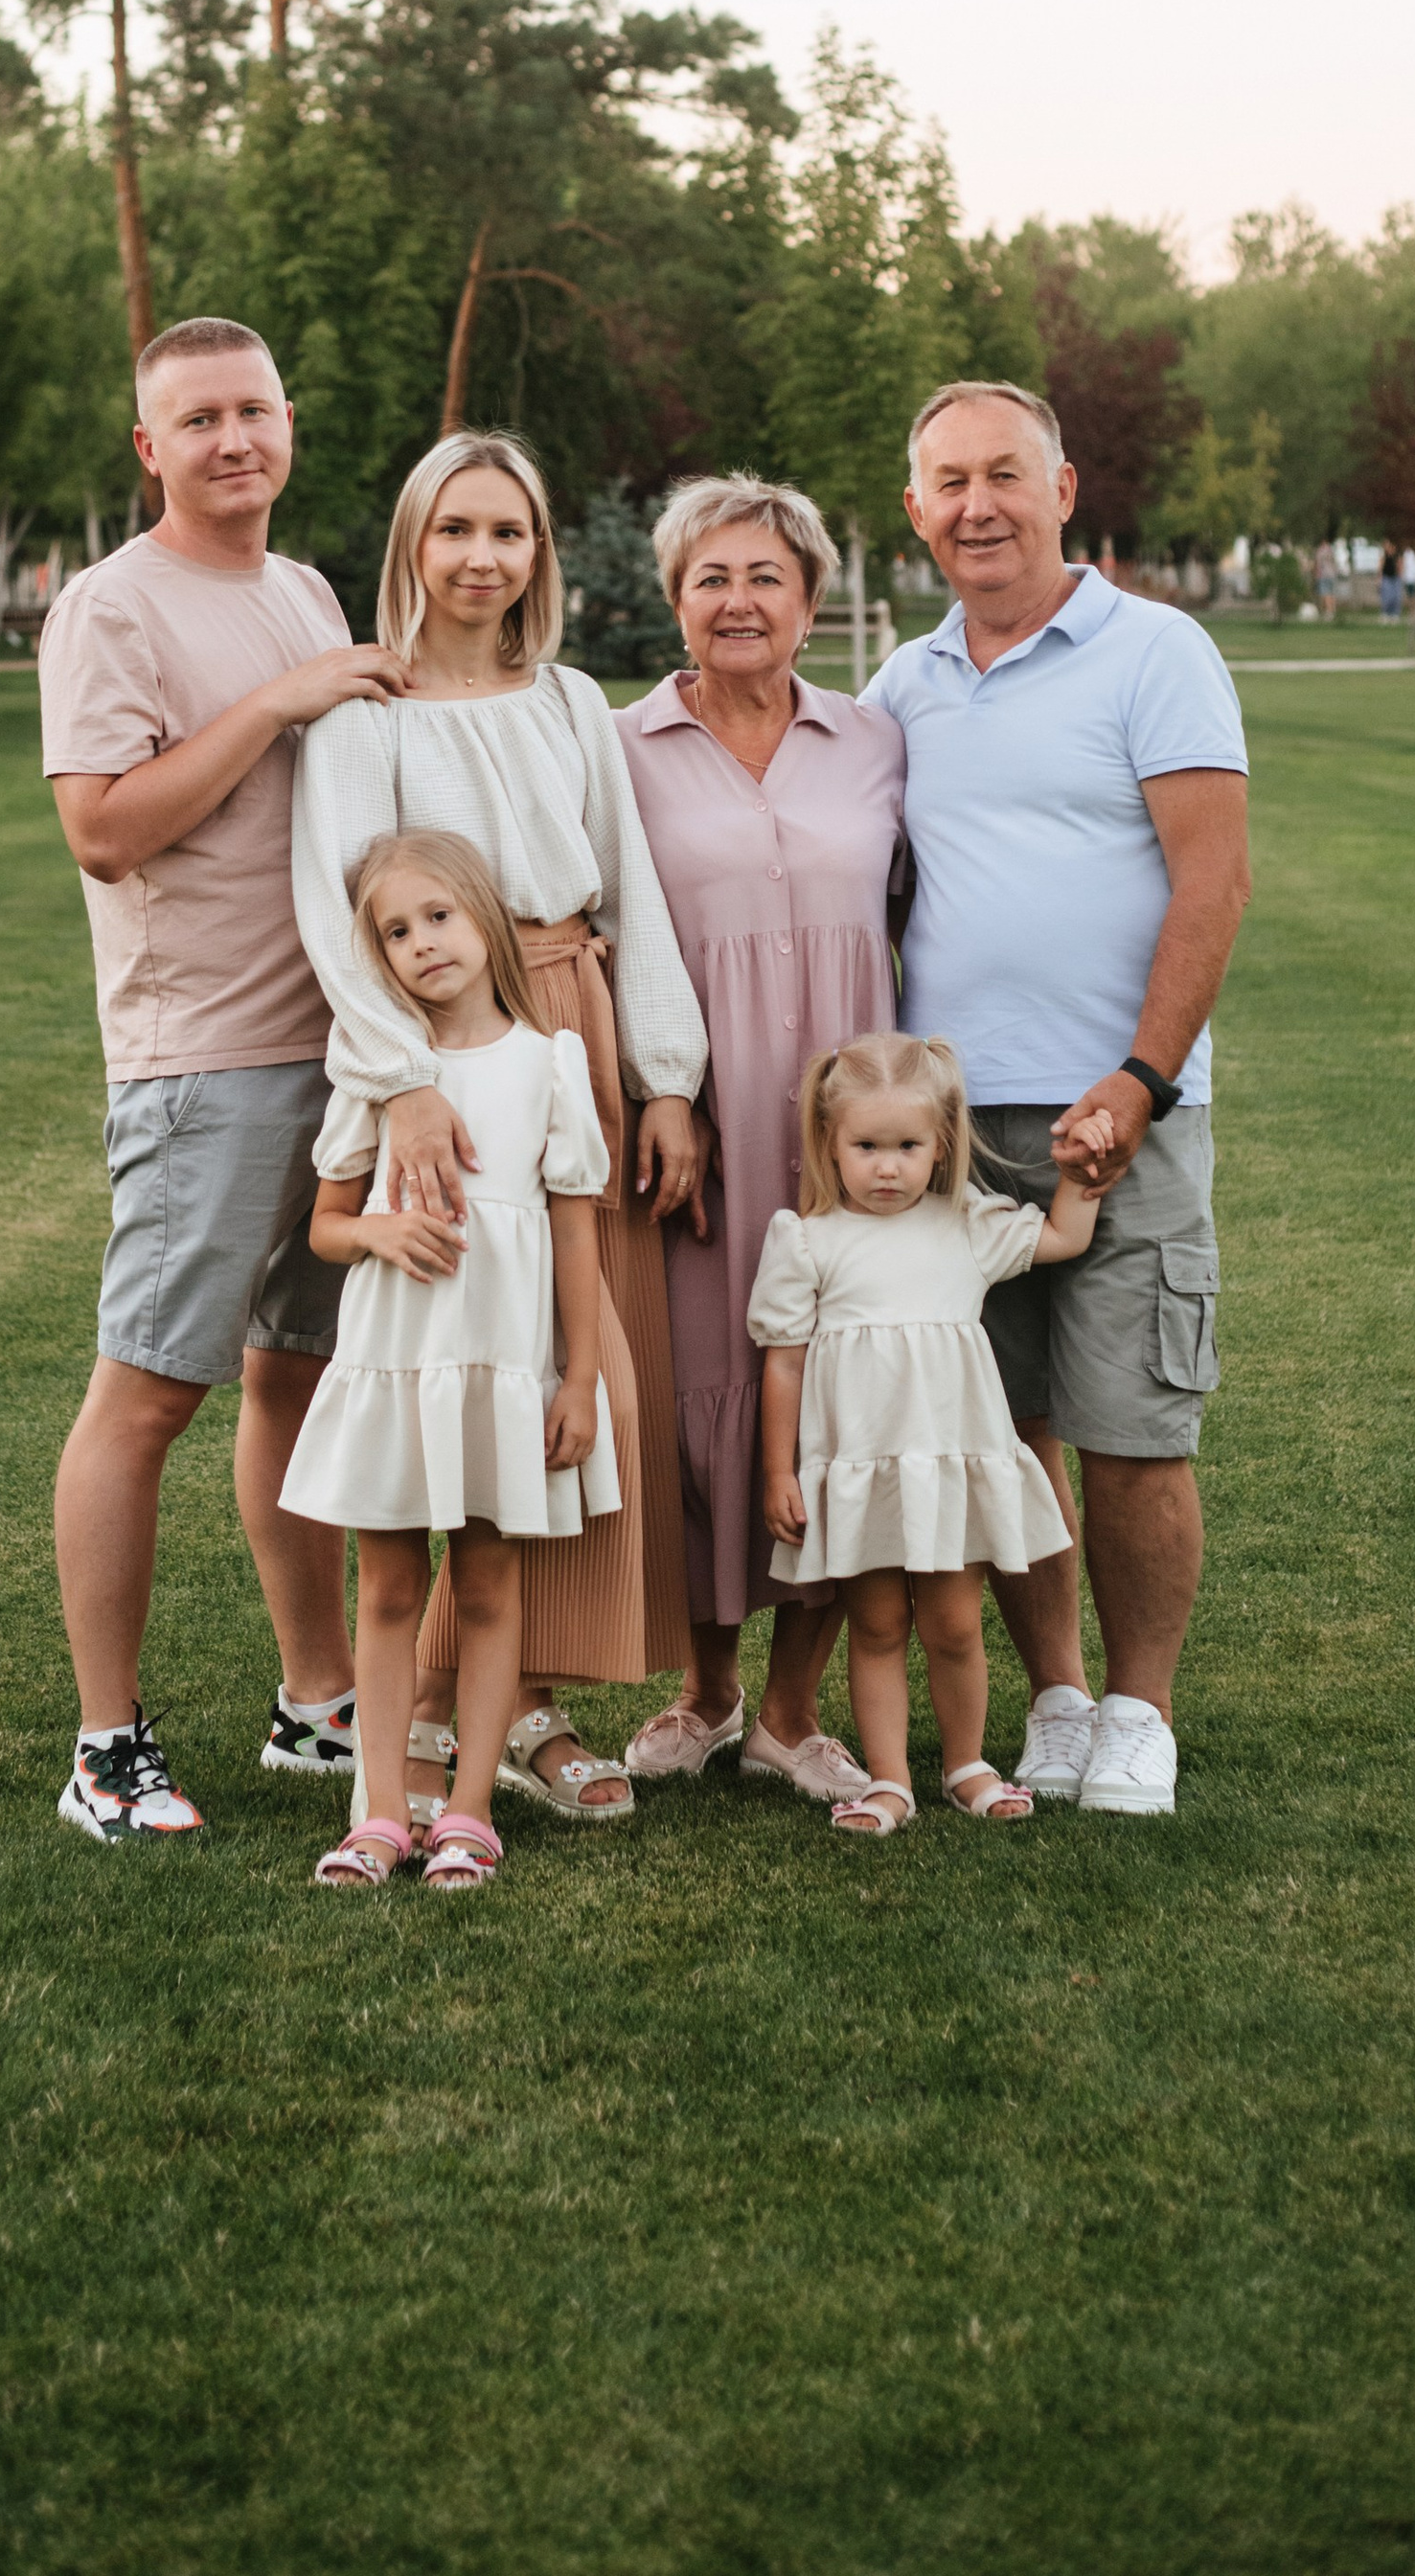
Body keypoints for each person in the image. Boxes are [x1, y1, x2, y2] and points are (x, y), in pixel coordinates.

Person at [291, 432, 709, 1827]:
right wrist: (401, 1076)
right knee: (461, 1363)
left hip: (567, 1032)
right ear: (414, 539)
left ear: (538, 552)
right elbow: (339, 915)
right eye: (456, 527)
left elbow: (632, 887)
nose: (484, 556)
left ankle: (515, 1693)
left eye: (511, 531)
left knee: (567, 1380)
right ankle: (434, 1708)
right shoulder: (365, 717)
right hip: (437, 1056)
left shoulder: (574, 701)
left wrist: (661, 1076)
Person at [38, 319, 415, 1841]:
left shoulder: (303, 589)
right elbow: (106, 829)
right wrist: (273, 705)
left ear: (288, 424)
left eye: (252, 410)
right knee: (144, 1399)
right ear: (152, 448)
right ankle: (105, 1746)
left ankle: (316, 1703)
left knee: (293, 1378)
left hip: (338, 1056)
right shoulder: (110, 608)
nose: (233, 439)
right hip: (205, 1064)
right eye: (197, 419)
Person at [864, 379, 1251, 1820]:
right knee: (1004, 1426)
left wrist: (1143, 1077)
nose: (979, 505)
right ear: (914, 512)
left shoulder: (1158, 650)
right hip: (951, 1132)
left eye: (1005, 475)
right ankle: (1061, 1698)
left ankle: (1143, 1709)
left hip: (1119, 1112)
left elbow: (1214, 880)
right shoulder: (904, 685)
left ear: (1065, 487)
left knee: (1134, 1425)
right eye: (950, 482)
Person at [615, 474, 906, 1804]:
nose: (740, 601)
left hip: (859, 1135)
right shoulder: (617, 750)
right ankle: (709, 1689)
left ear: (811, 599)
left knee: (843, 1397)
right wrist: (659, 1088)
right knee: (702, 1398)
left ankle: (795, 1710)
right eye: (712, 578)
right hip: (702, 1127)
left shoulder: (877, 741)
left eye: (766, 577)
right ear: (675, 599)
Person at [287, 835, 619, 1894]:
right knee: (386, 1585)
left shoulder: (548, 1062)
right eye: (394, 931)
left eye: (438, 916)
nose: (422, 943)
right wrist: (377, 1232)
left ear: (484, 921)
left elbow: (574, 1237)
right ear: (375, 959)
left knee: (486, 1581)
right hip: (399, 1361)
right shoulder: (380, 1076)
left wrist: (578, 1379)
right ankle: (381, 1809)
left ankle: (470, 1807)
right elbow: (325, 1226)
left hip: (501, 1366)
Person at [754, 1034, 1107, 1835]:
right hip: (864, 1471)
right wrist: (781, 1470)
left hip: (947, 1467)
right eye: (867, 1146)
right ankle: (888, 1781)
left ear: (940, 1145)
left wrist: (1081, 1180)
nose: (888, 1166)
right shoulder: (808, 1240)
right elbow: (783, 1364)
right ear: (829, 1143)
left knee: (953, 1621)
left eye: (908, 1146)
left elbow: (1062, 1239)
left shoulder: (965, 1225)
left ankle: (966, 1763)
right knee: (876, 1623)